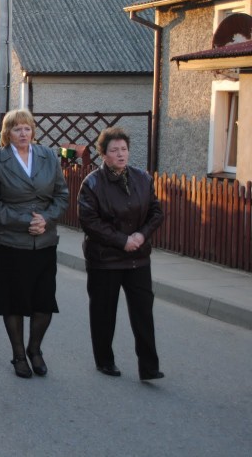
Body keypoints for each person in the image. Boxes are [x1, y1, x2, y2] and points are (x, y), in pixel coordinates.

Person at [0, 108, 69, 379]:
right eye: (17, 128)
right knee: (13, 301)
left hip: (44, 241)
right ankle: (18, 354)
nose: (23, 133)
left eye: (27, 128)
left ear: (33, 131)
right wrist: (24, 221)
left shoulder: (48, 156)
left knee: (44, 301)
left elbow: (62, 195)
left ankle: (35, 349)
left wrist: (46, 219)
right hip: (10, 242)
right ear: (7, 133)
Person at [77, 126, 165, 381]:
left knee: (143, 313)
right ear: (103, 154)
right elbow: (90, 221)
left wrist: (141, 236)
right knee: (104, 313)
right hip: (105, 259)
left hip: (138, 258)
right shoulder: (92, 183)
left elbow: (156, 212)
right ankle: (104, 360)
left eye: (124, 149)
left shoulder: (142, 178)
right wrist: (122, 240)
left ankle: (149, 367)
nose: (120, 154)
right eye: (114, 150)